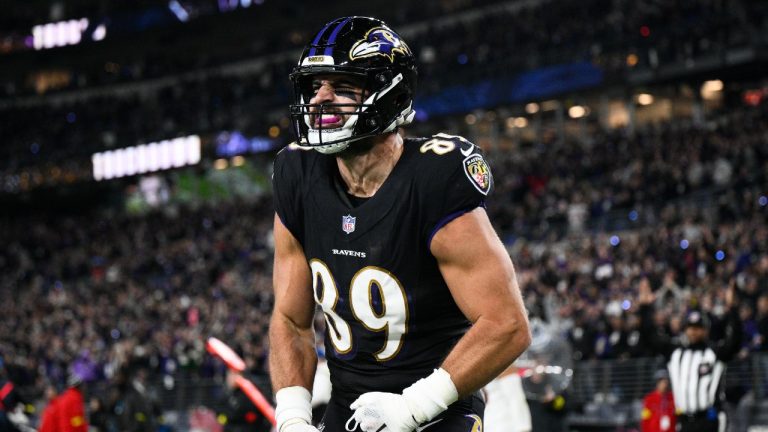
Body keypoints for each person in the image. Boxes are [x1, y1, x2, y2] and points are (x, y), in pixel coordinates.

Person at [268, 16, 531, 432]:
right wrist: (293, 417)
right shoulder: (297, 175)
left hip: (438, 407)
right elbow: (290, 320)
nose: (320, 99)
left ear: (388, 92)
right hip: (345, 409)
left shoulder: (432, 179)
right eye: (314, 86)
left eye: (342, 86)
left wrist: (414, 406)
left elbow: (508, 324)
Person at [638, 278, 742, 432]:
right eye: (690, 327)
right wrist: (645, 308)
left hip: (710, 420)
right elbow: (650, 337)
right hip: (685, 421)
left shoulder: (713, 353)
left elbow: (734, 342)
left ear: (705, 330)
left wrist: (733, 309)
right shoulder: (675, 353)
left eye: (698, 327)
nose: (693, 331)